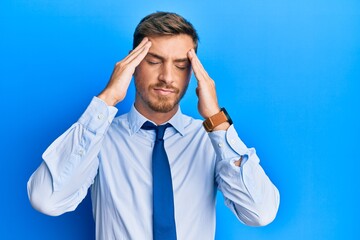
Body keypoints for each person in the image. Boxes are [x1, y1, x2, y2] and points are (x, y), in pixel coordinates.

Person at [27, 12, 280, 240]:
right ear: (132, 65)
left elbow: (261, 213)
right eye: (154, 61)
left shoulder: (210, 141)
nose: (167, 77)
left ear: (192, 73)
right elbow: (46, 200)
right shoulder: (99, 137)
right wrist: (107, 99)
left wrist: (216, 118)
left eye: (180, 65)